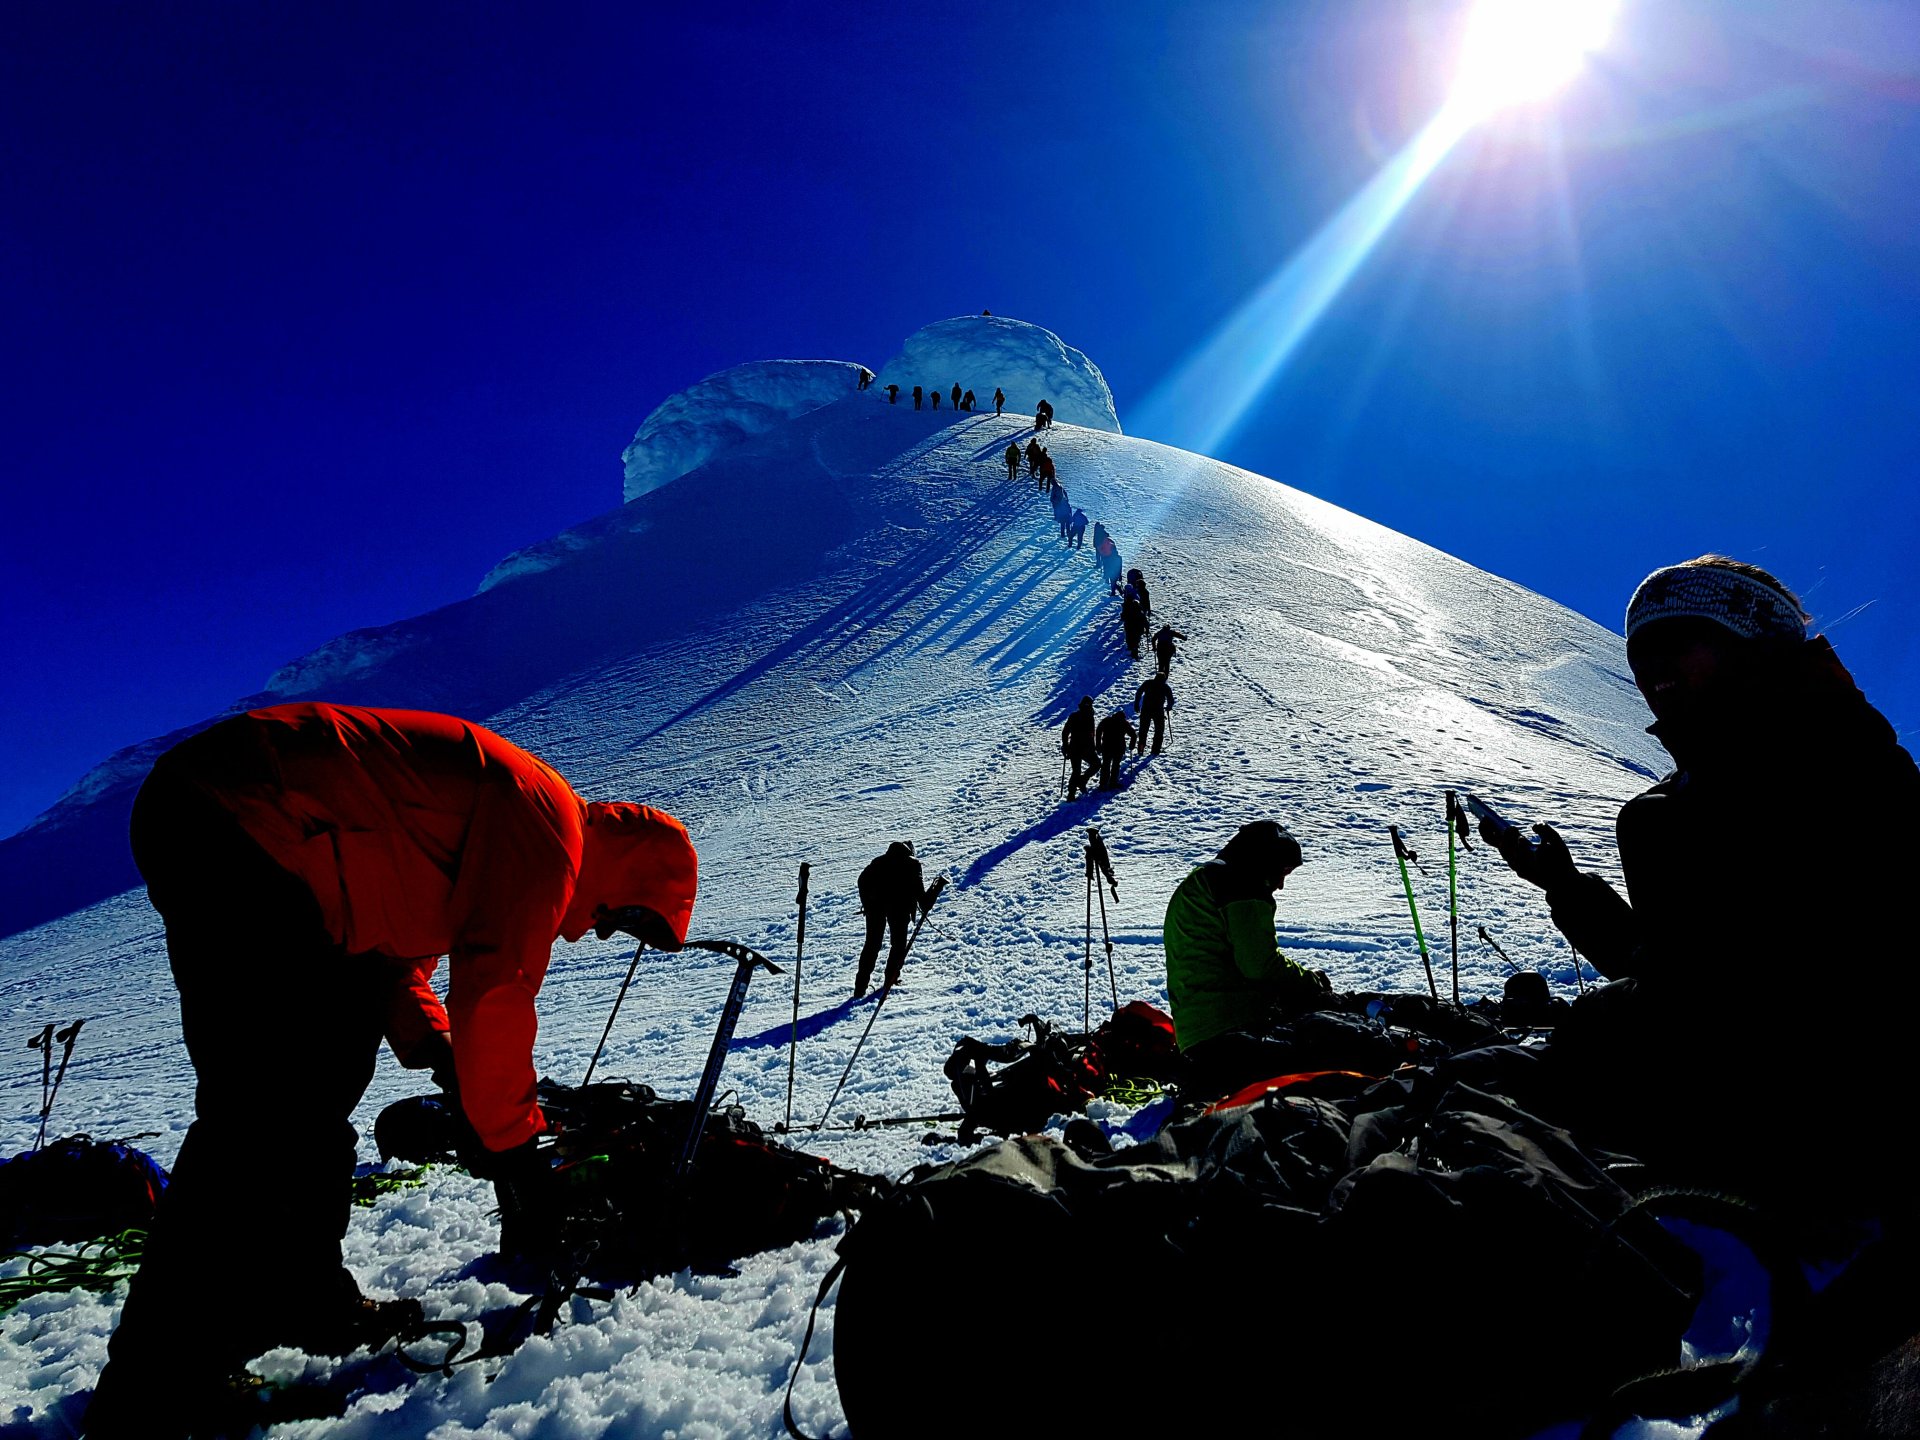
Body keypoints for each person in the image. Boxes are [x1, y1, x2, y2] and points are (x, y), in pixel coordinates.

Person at [84, 704, 699, 1438]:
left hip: (260, 838)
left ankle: (308, 1300)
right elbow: (494, 987)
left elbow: (397, 955)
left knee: (317, 1087)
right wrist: (515, 1147)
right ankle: (152, 1385)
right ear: (628, 870)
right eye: (624, 918)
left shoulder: (518, 817)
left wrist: (440, 1053)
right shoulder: (547, 831)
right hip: (245, 821)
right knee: (256, 1116)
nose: (602, 930)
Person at [1482, 556, 1920, 1222]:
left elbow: (1799, 992)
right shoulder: (1677, 805)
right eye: (1639, 650)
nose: (1652, 668)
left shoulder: (1845, 769)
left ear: (1758, 645)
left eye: (1680, 640)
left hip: (1829, 1145)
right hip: (1740, 1130)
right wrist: (1562, 884)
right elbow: (1673, 970)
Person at [1162, 822, 1327, 1097]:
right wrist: (1312, 983)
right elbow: (1259, 965)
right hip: (1228, 1031)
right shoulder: (1240, 883)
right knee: (1324, 1053)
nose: (1281, 885)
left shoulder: (1205, 878)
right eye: (1282, 873)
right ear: (1266, 863)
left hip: (1196, 1033)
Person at [854, 841, 938, 997]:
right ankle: (890, 980)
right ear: (911, 853)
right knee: (898, 945)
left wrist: (868, 903)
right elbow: (923, 901)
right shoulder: (913, 864)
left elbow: (862, 880)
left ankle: (860, 987)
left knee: (872, 944)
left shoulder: (878, 861)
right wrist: (936, 889)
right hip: (899, 909)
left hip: (875, 907)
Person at [1061, 697, 1099, 801]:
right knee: (1096, 764)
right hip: (1085, 748)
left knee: (1076, 771)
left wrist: (1065, 746)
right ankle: (1082, 781)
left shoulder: (1074, 716)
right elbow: (1092, 734)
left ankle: (1072, 794)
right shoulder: (1090, 716)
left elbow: (1065, 732)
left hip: (1075, 747)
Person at [1095, 708, 1135, 790]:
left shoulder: (1107, 720)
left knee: (1106, 765)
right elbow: (1133, 735)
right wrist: (1131, 745)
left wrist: (1098, 745)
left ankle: (1103, 784)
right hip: (1119, 748)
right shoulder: (1124, 723)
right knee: (1116, 765)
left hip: (1107, 747)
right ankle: (1113, 783)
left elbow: (1098, 731)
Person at [1135, 675, 1174, 754]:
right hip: (1158, 711)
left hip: (1146, 710)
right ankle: (1155, 750)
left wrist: (1136, 704)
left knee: (1143, 730)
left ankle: (1141, 748)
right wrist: (1169, 707)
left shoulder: (1148, 683)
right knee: (1159, 731)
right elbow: (1171, 699)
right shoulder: (1165, 687)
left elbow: (1139, 692)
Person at [1122, 592, 1148, 659]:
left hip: (1129, 627)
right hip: (1138, 628)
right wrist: (1147, 628)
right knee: (1136, 639)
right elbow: (1145, 621)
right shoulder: (1140, 612)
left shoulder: (1128, 610)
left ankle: (1132, 649)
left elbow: (1123, 617)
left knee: (1130, 638)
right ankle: (1135, 650)